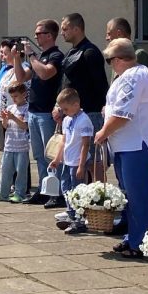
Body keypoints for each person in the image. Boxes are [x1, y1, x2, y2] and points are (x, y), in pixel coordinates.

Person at [95, 38, 148, 258]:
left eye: (109, 60)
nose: (110, 65)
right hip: (127, 144)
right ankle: (133, 236)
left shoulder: (134, 76)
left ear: (118, 59)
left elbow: (123, 114)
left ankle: (141, 242)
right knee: (129, 194)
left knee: (138, 194)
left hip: (138, 144)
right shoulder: (128, 75)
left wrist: (103, 132)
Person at [51, 13, 108, 207]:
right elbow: (64, 82)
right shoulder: (70, 52)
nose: (62, 33)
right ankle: (77, 205)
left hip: (90, 113)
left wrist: (102, 111)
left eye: (65, 29)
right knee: (73, 158)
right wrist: (59, 106)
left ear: (77, 28)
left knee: (93, 161)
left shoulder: (90, 52)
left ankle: (98, 202)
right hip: (72, 115)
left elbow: (101, 85)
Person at [14, 19, 64, 205]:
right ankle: (44, 190)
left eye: (38, 33)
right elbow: (21, 77)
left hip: (47, 113)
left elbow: (45, 73)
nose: (35, 37)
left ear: (49, 35)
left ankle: (56, 193)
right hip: (34, 112)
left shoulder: (56, 55)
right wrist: (17, 58)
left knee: (51, 154)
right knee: (39, 155)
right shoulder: (39, 57)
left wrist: (32, 56)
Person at [50, 88, 93, 233]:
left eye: (66, 109)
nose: (63, 112)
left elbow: (85, 144)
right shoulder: (67, 119)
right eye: (62, 109)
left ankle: (79, 219)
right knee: (66, 187)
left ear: (76, 104)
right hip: (67, 161)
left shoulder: (84, 120)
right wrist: (57, 158)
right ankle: (71, 213)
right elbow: (64, 141)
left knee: (77, 190)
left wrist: (81, 165)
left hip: (77, 161)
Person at [0, 82, 30, 203]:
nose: (14, 99)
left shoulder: (27, 108)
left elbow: (25, 126)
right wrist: (5, 119)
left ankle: (20, 193)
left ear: (24, 94)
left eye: (16, 96)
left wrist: (13, 118)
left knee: (21, 172)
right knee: (5, 170)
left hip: (21, 146)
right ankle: (3, 193)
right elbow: (5, 126)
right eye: (12, 97)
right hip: (9, 145)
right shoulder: (10, 108)